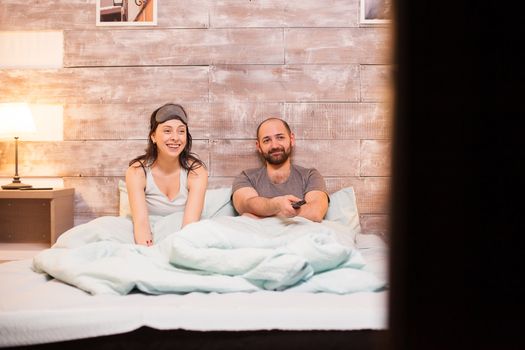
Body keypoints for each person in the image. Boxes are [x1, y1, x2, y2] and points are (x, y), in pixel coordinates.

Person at [126, 103, 208, 246]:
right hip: (148, 234)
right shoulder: (137, 171)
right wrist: (148, 251)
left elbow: (189, 227)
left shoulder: (196, 172)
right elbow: (141, 224)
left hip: (181, 235)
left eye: (181, 131)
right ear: (153, 137)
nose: (175, 138)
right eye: (167, 131)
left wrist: (179, 251)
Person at [232, 117, 329, 222]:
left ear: (291, 140)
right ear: (259, 146)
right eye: (267, 140)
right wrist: (277, 205)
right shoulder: (246, 177)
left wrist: (262, 214)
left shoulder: (310, 175)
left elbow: (315, 212)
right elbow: (245, 206)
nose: (274, 145)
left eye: (280, 137)